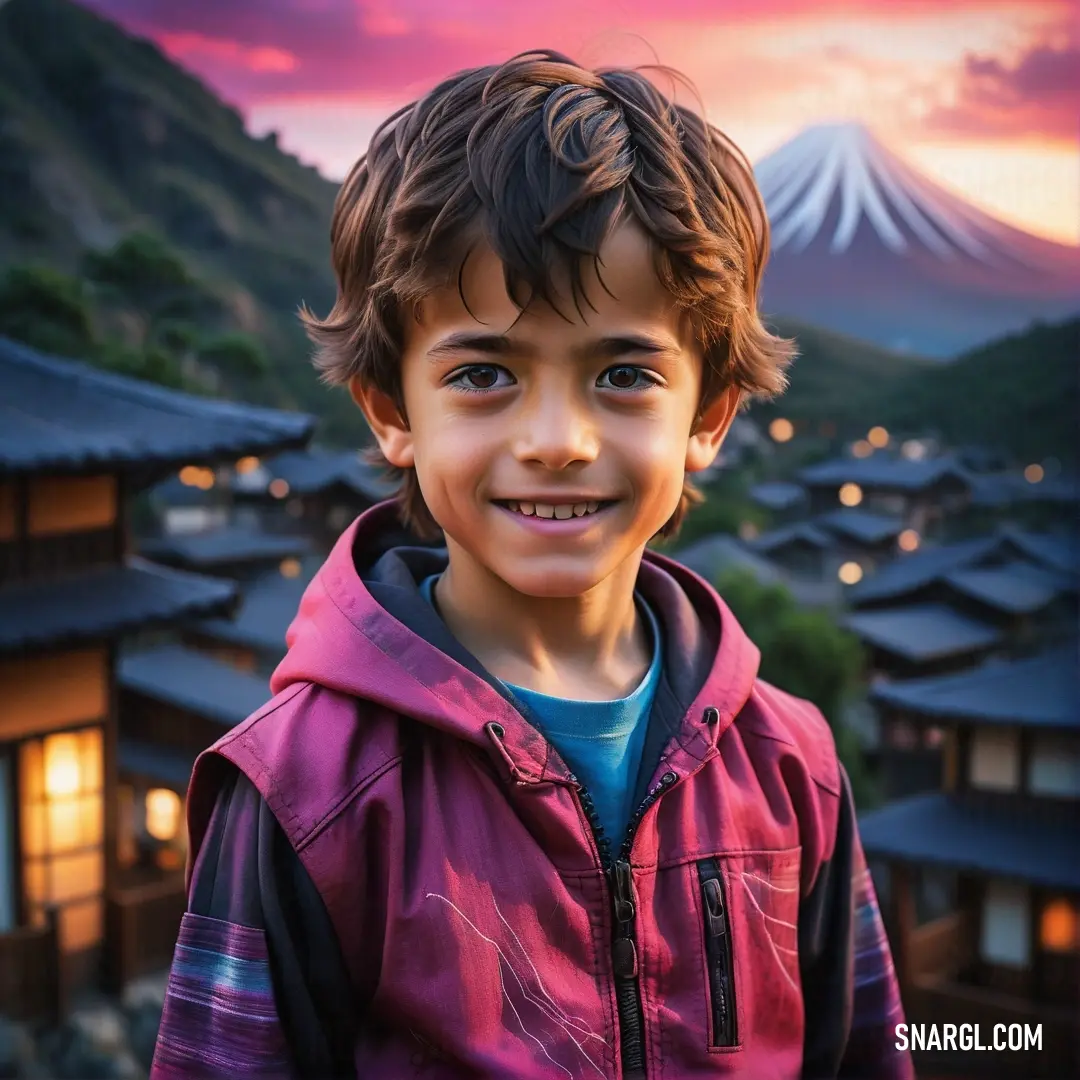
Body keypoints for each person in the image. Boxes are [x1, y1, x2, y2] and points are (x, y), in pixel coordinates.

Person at [150, 50, 913, 1080]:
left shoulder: (791, 769)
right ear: (390, 411)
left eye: (625, 373)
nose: (557, 438)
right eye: (483, 374)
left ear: (711, 416)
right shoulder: (306, 791)